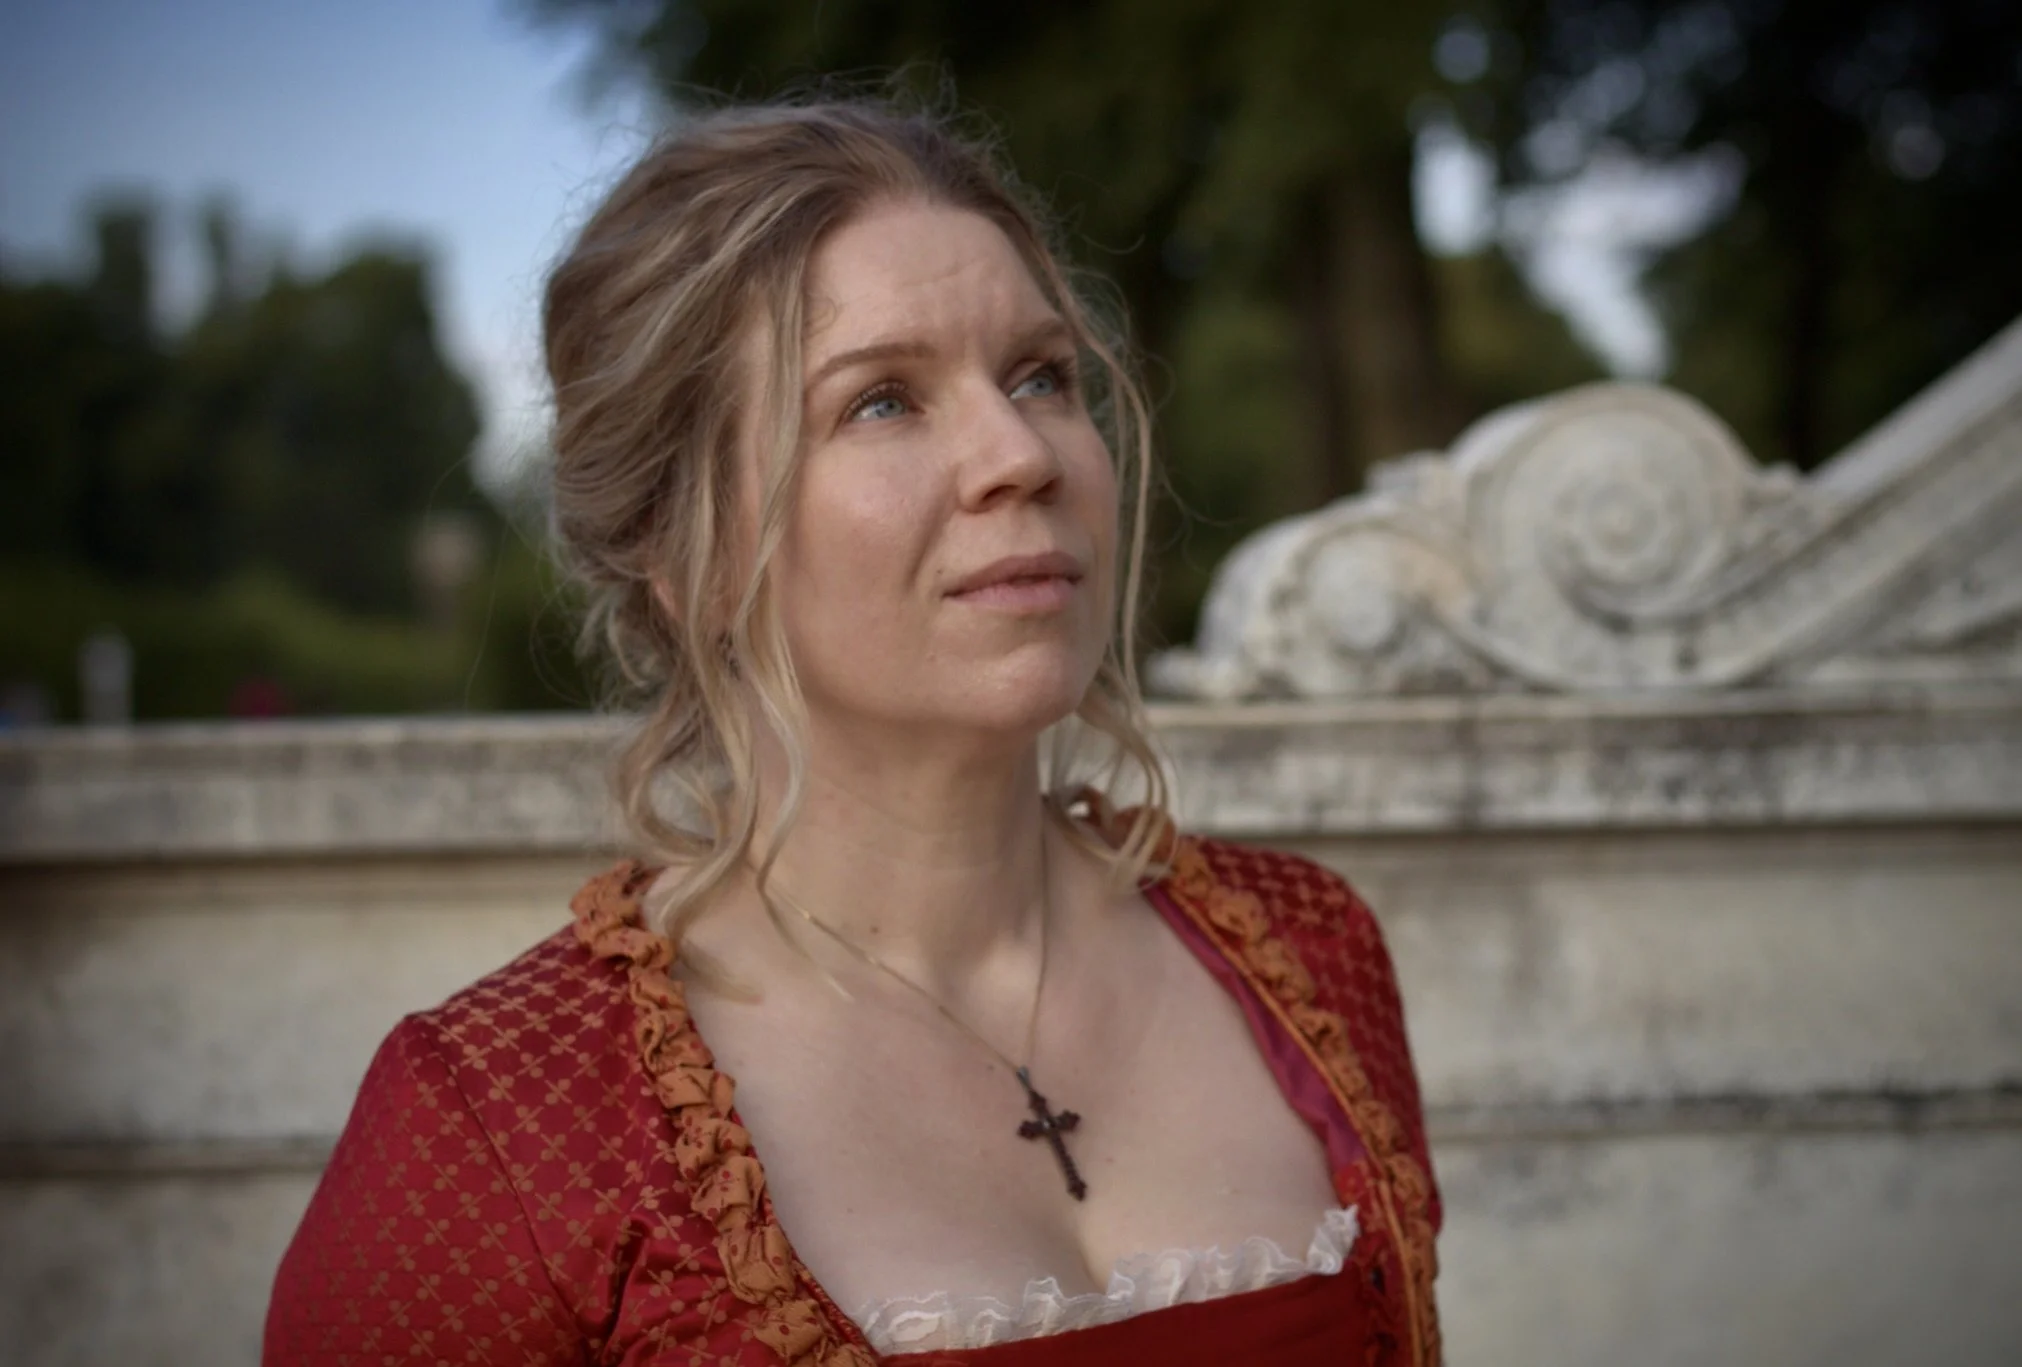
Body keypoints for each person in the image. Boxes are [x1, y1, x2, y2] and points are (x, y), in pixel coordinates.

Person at [264, 97, 1442, 1365]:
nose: (1020, 453)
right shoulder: (501, 1119)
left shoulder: (1309, 951)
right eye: (882, 400)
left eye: (1041, 375)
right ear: (687, 550)